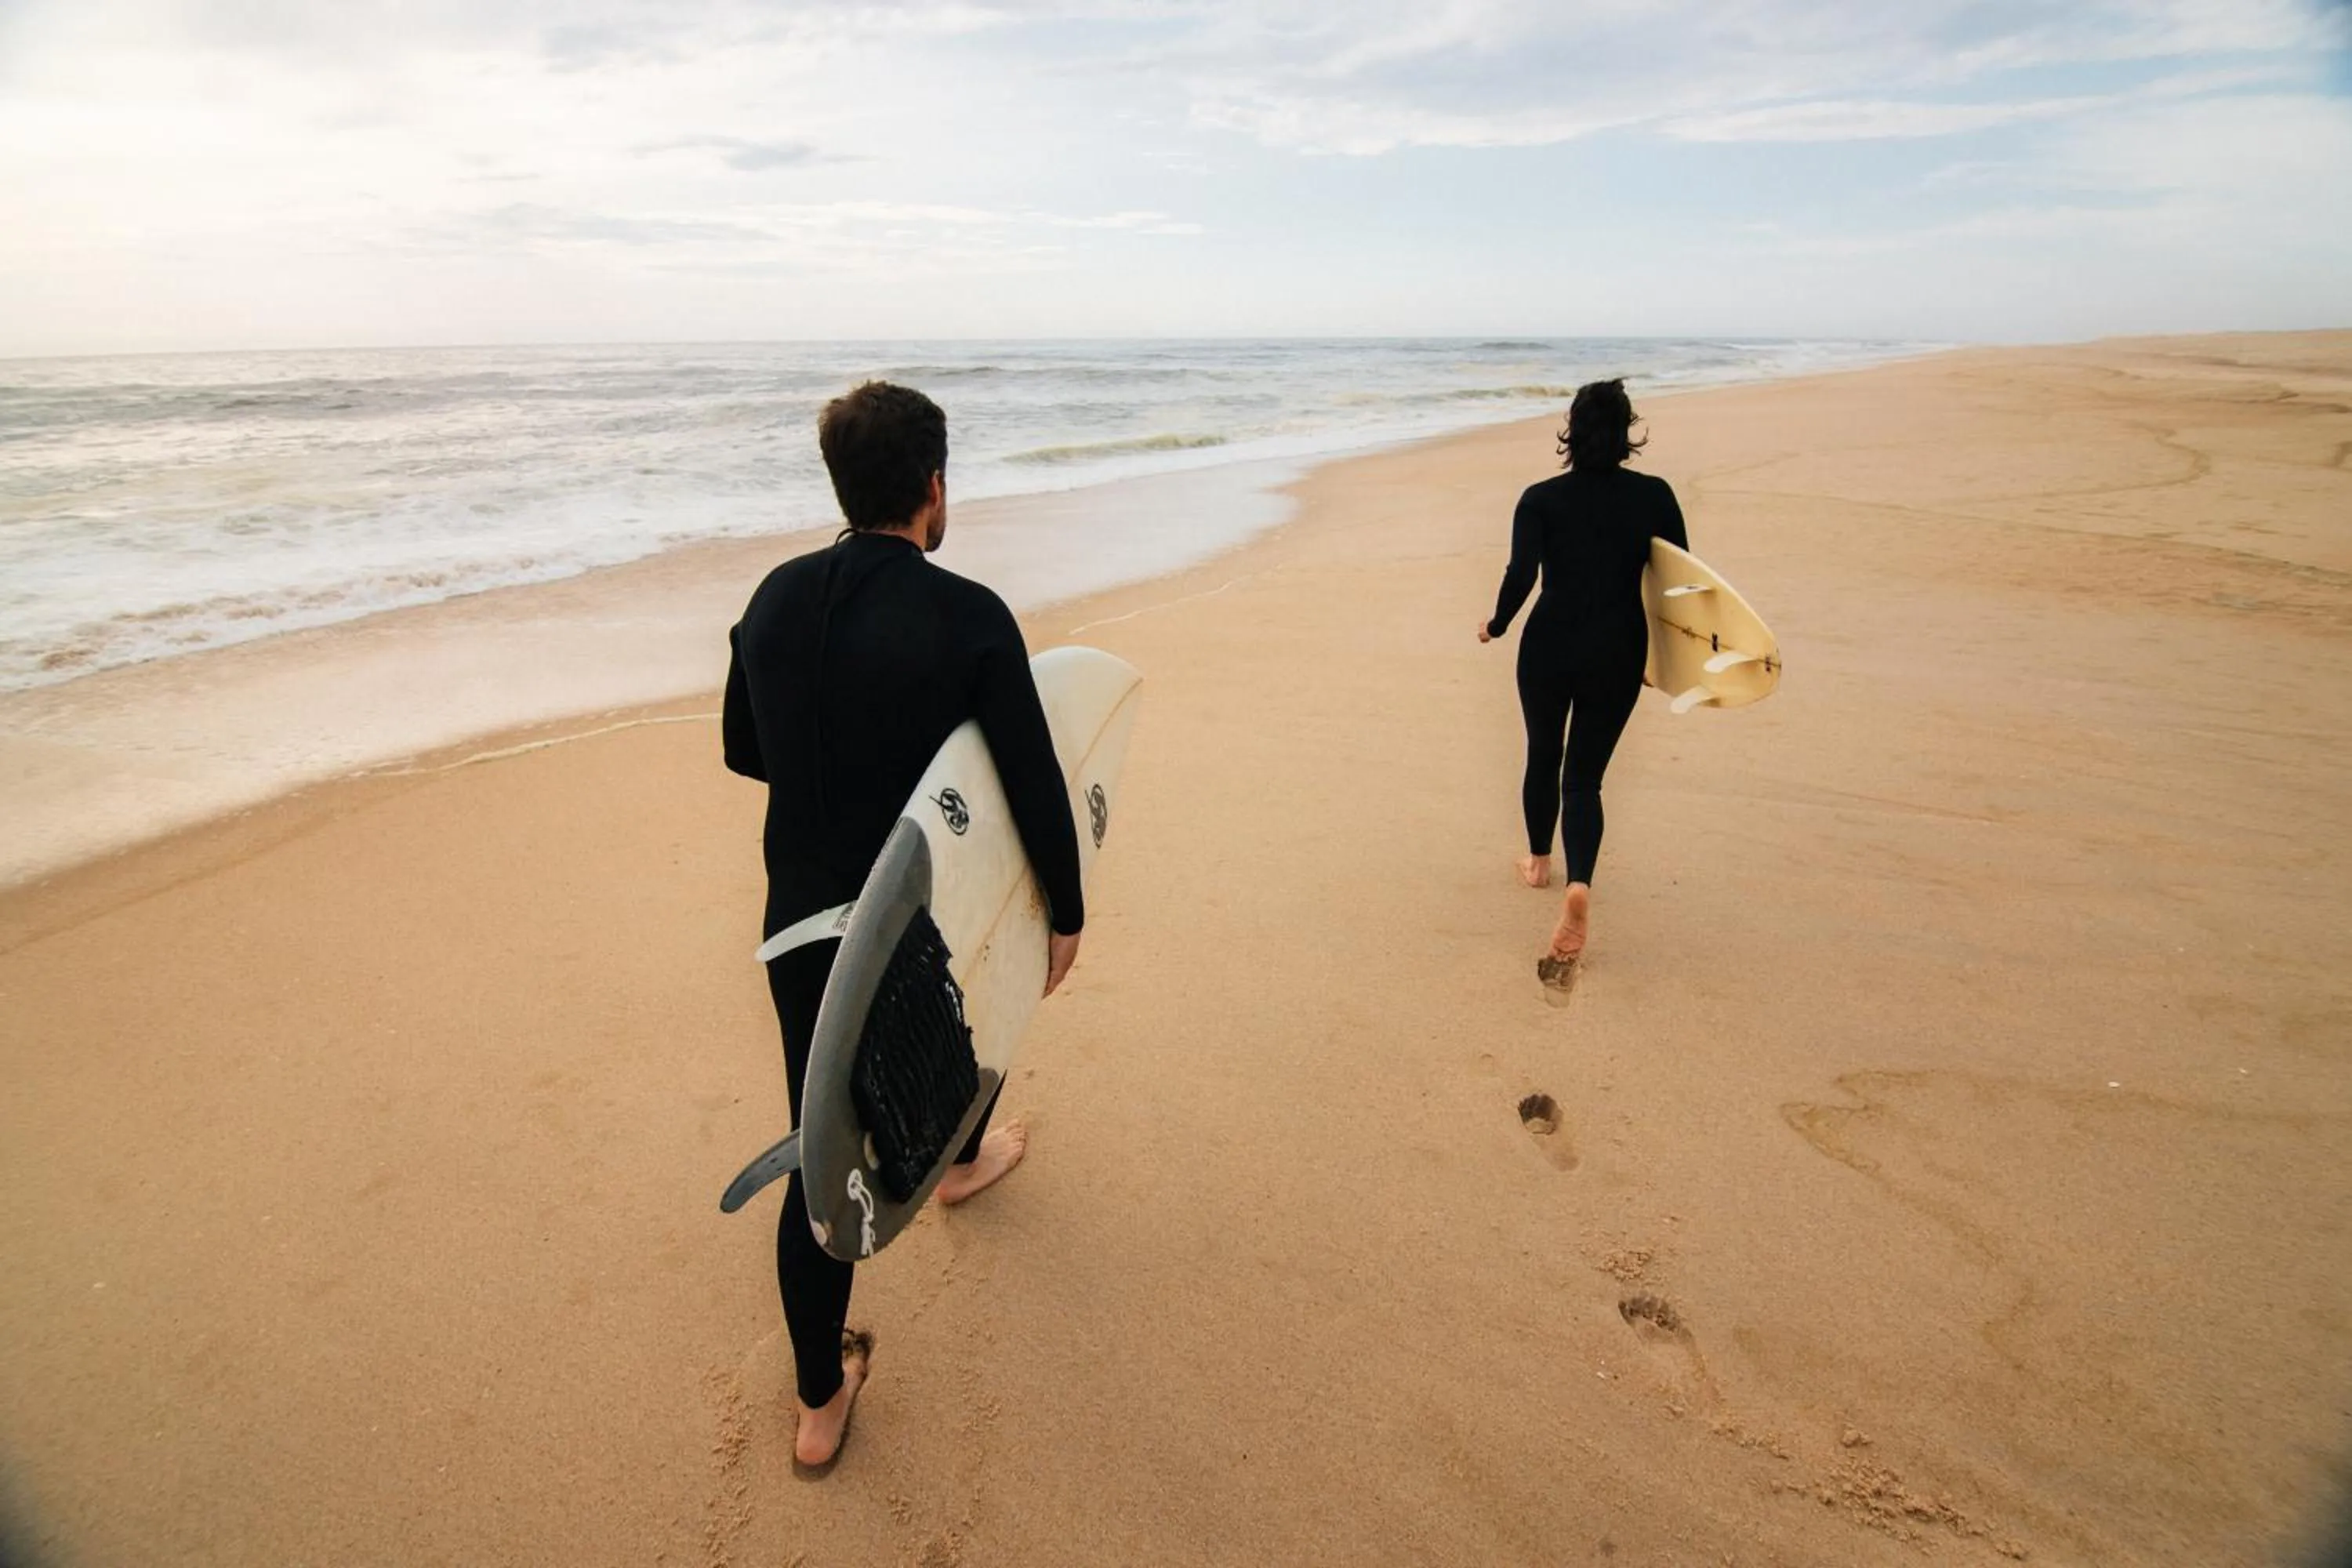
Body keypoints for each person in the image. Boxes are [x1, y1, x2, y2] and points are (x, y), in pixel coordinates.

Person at [722, 381, 1085, 1469]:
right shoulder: (968, 615)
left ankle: (820, 1402)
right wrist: (1064, 913)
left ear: (842, 485)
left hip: (800, 931)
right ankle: (961, 1158)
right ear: (935, 486)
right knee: (985, 1020)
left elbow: (746, 749)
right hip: (919, 923)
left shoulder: (775, 598)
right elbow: (1029, 781)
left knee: (821, 1148)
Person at [1478, 379, 1686, 988]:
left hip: (1549, 644)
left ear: (1571, 428)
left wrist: (1497, 624)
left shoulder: (1540, 499)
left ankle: (1540, 864)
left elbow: (1522, 574)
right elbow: (1678, 585)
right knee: (1585, 779)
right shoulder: (1654, 496)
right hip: (1619, 646)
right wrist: (1666, 660)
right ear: (1627, 432)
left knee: (1544, 755)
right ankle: (1579, 884)